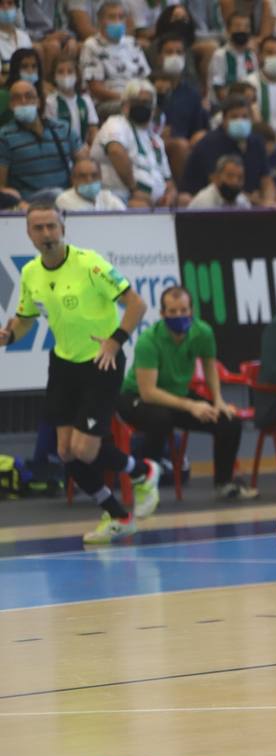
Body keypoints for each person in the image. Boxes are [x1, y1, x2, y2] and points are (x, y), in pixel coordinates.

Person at [0, 202, 160, 544]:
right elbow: (27, 318)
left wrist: (115, 342)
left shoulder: (89, 264)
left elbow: (136, 304)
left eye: (51, 227)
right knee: (65, 451)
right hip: (63, 364)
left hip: (101, 363)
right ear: (28, 234)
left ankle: (144, 471)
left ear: (63, 229)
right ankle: (119, 515)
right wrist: (10, 334)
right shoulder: (30, 273)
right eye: (39, 228)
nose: (46, 234)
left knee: (85, 450)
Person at [118, 286, 257, 500]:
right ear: (163, 314)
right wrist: (191, 406)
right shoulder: (149, 340)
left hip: (177, 396)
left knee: (228, 421)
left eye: (183, 310)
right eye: (172, 312)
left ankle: (224, 483)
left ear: (191, 311)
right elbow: (149, 393)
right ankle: (143, 479)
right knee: (160, 420)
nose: (179, 316)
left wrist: (218, 400)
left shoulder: (203, 332)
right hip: (136, 398)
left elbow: (210, 367)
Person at [91, 79, 175, 207]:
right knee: (139, 205)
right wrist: (135, 189)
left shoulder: (155, 139)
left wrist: (170, 194)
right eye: (137, 102)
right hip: (121, 197)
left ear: (153, 108)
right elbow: (115, 151)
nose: (143, 106)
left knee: (184, 200)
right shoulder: (115, 124)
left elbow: (167, 178)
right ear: (125, 105)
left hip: (157, 201)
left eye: (147, 103)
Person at [0, 77, 81, 200]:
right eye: (17, 98)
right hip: (29, 203)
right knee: (55, 194)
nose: (23, 101)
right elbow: (2, 186)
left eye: (29, 96)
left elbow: (85, 163)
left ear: (38, 101)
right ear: (11, 105)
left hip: (66, 200)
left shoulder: (63, 128)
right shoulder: (4, 137)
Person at [182, 96, 274, 202]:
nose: (240, 121)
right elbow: (220, 183)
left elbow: (267, 180)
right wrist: (254, 200)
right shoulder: (209, 144)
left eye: (245, 117)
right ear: (224, 120)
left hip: (249, 203)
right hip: (212, 202)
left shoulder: (257, 143)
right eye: (234, 117)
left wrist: (269, 202)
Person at [80, 0, 150, 103]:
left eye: (121, 17)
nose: (117, 21)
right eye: (112, 17)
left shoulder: (132, 43)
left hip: (136, 99)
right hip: (108, 102)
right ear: (100, 21)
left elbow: (145, 78)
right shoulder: (91, 45)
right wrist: (127, 99)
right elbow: (95, 89)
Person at [57, 156, 127, 210]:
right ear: (73, 179)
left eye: (94, 175)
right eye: (82, 176)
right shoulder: (64, 199)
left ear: (100, 178)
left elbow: (123, 217)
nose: (89, 180)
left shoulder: (107, 197)